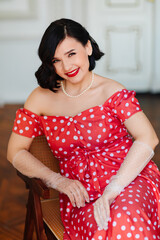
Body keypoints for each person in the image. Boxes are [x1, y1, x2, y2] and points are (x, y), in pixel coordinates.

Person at [7, 18, 160, 240]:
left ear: (87, 47)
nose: (67, 67)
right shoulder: (40, 98)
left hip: (127, 179)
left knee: (126, 217)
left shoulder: (111, 90)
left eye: (71, 54)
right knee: (103, 226)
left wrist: (113, 189)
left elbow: (148, 138)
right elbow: (15, 151)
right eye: (56, 60)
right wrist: (56, 179)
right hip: (81, 192)